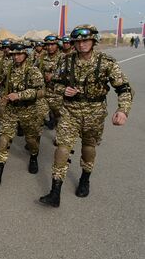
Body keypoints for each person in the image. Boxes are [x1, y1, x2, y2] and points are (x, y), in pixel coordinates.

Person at [39, 25, 133, 207]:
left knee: (88, 148)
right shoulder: (66, 61)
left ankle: (85, 178)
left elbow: (124, 88)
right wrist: (63, 90)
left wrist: (123, 110)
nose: (82, 44)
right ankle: (55, 192)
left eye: (85, 40)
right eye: (78, 41)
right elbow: (54, 85)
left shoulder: (106, 62)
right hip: (70, 111)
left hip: (94, 113)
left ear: (93, 41)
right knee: (62, 148)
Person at [0, 42, 45, 185]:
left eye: (19, 54)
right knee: (3, 138)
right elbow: (1, 82)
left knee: (31, 140)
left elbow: (41, 92)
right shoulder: (9, 68)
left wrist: (20, 95)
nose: (16, 57)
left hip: (28, 110)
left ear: (25, 54)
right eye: (14, 55)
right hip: (11, 110)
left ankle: (34, 156)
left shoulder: (33, 71)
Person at [37, 34, 64, 130]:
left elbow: (70, 75)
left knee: (59, 118)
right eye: (48, 45)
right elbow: (34, 71)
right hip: (44, 93)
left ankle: (59, 136)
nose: (50, 47)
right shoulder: (41, 57)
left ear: (57, 45)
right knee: (38, 116)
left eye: (52, 44)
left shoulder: (64, 58)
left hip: (58, 94)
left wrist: (54, 76)